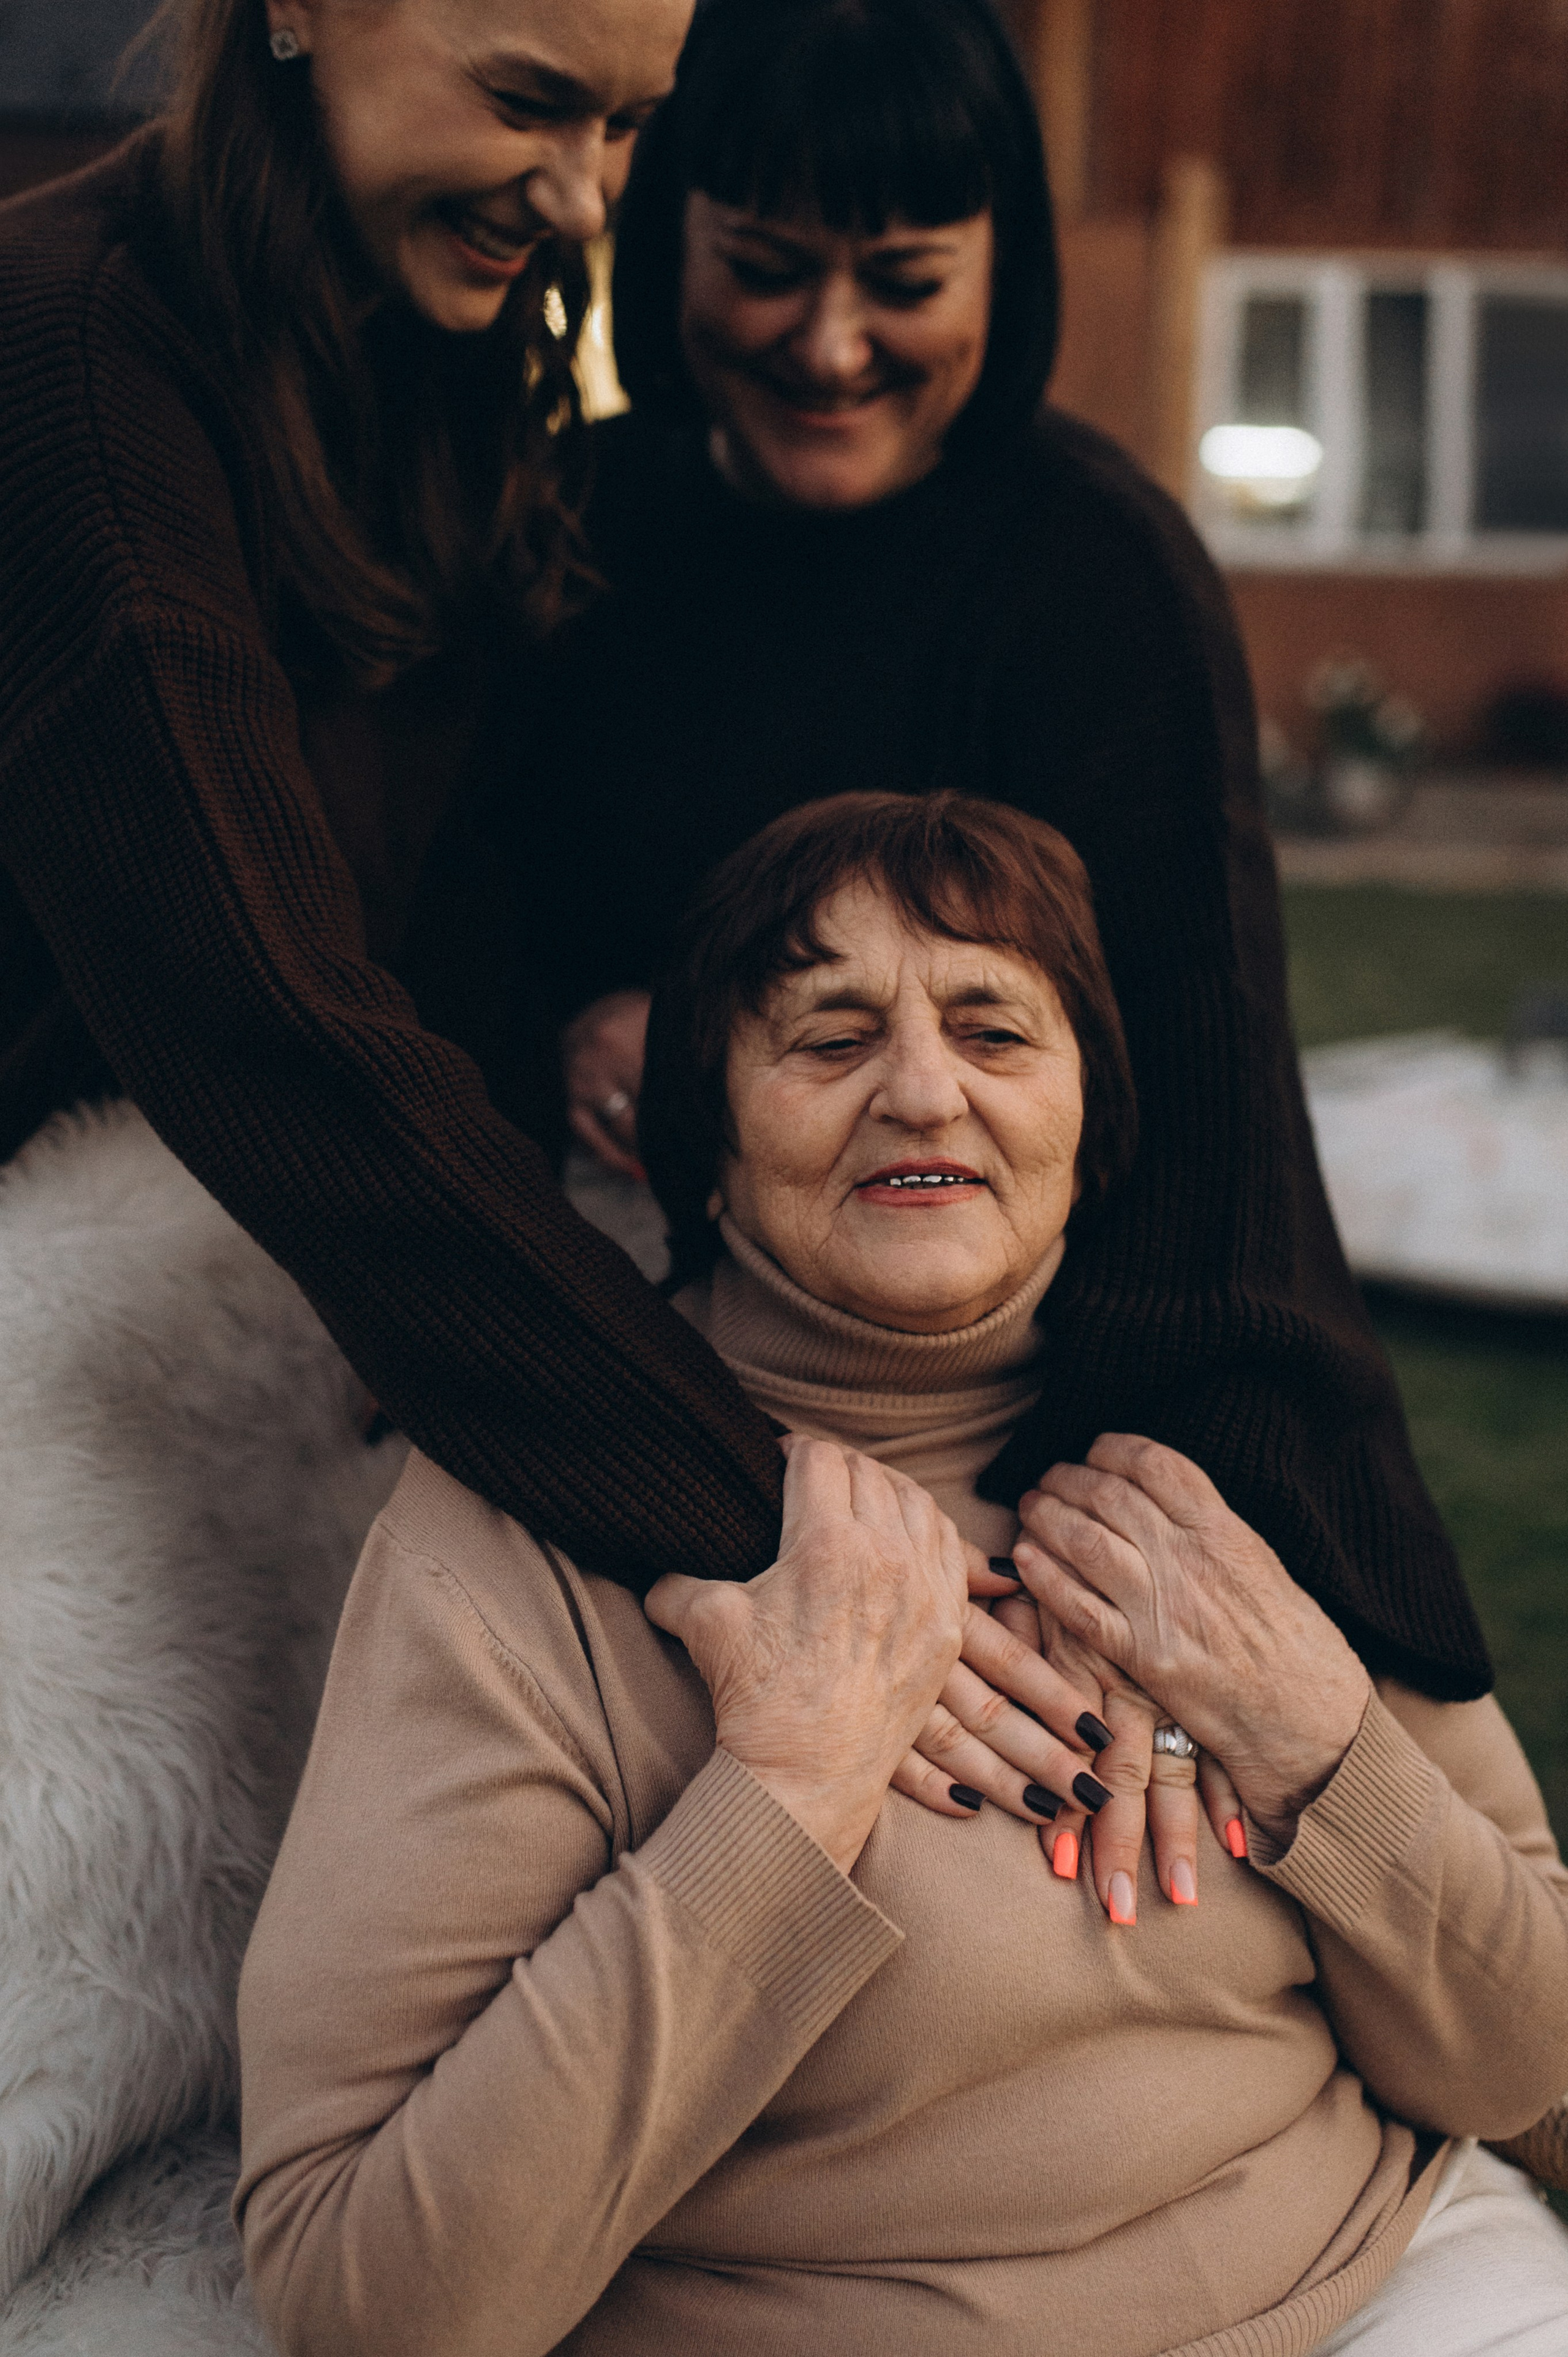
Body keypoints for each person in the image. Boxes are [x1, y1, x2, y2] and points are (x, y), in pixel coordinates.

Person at [235, 793, 1568, 2357]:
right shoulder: (524, 1534)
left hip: (1384, 2288)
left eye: (994, 1032)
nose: (925, 1092)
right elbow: (367, 2302)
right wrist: (789, 1787)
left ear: (1091, 1124)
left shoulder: (1237, 1453)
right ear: (704, 1145)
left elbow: (1524, 2058)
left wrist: (1313, 1742)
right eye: (830, 1037)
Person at [530, 0, 1493, 1706]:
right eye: (766, 267)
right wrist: (576, 1026)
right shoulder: (559, 526)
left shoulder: (1100, 573)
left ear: (1007, 267)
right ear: (665, 231)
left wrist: (1116, 1558)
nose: (831, 346)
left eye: (904, 280)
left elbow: (1201, 1108)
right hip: (644, 1348)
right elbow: (433, 921)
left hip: (1003, 1389)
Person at [0, 0, 801, 1591]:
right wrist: (767, 1527)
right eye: (525, 99)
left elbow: (446, 876)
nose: (583, 197)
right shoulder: (70, 365)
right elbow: (268, 1014)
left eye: (624, 124)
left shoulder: (434, 339)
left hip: (255, 1312)